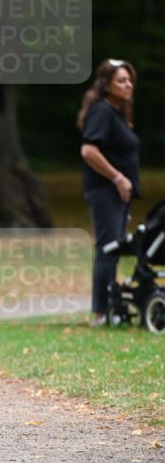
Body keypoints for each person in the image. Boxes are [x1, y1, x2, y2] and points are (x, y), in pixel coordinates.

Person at [78, 59, 141, 326]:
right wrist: (117, 178)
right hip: (105, 190)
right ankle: (100, 313)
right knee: (107, 248)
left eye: (129, 81)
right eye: (121, 81)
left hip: (118, 194)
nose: (128, 85)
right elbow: (88, 150)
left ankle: (111, 308)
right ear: (106, 85)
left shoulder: (117, 112)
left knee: (113, 248)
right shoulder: (102, 111)